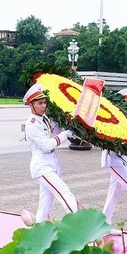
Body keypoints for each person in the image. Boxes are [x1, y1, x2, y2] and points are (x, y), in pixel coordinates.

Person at [24, 83, 78, 222]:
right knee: (64, 193)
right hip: (42, 166)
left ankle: (38, 229)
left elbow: (54, 133)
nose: (43, 106)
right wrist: (66, 134)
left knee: (46, 203)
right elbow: (47, 145)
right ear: (31, 105)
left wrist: (66, 125)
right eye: (40, 103)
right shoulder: (32, 124)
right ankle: (80, 225)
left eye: (44, 103)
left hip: (51, 163)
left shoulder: (45, 119)